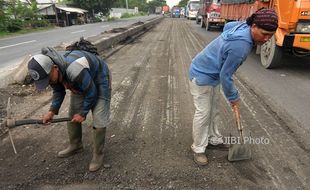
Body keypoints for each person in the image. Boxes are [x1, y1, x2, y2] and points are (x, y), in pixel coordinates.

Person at [188, 8, 278, 165]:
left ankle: (214, 139)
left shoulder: (243, 26)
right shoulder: (241, 46)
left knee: (213, 110)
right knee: (203, 113)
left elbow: (227, 27)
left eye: (271, 35)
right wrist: (234, 97)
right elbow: (226, 76)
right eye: (264, 34)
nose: (266, 39)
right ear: (254, 26)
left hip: (211, 73)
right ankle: (198, 148)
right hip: (202, 74)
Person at [27, 46, 111, 172]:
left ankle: (99, 154)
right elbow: (58, 90)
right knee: (73, 114)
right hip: (82, 80)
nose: (49, 83)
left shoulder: (74, 70)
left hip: (99, 78)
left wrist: (83, 113)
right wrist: (52, 111)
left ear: (55, 68)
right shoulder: (54, 70)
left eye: (49, 79)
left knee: (99, 119)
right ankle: (76, 145)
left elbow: (92, 92)